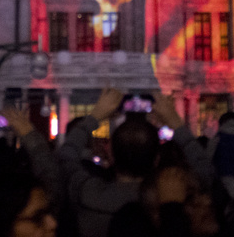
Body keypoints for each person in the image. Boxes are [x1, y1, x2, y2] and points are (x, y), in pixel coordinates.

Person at [57, 88, 211, 237]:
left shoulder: (88, 193)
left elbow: (66, 156)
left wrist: (95, 116)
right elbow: (205, 169)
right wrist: (176, 123)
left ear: (111, 156)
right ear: (157, 159)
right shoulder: (175, 200)